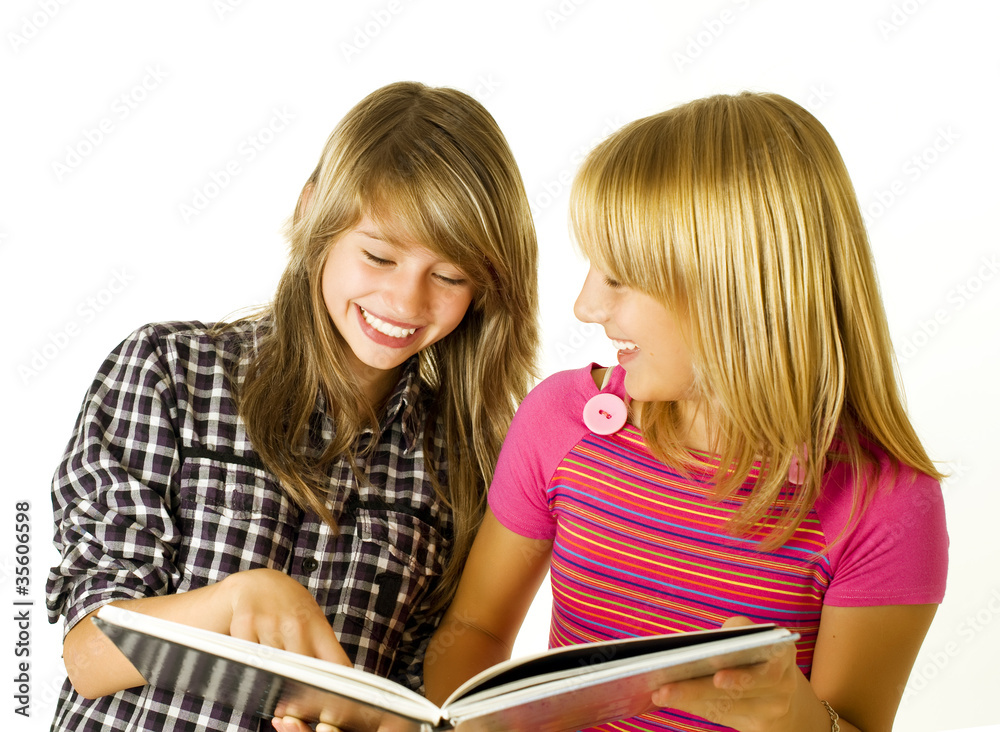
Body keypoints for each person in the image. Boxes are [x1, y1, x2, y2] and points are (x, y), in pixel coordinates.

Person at [423, 92, 948, 732]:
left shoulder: (886, 502)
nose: (586, 305)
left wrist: (801, 719)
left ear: (730, 290)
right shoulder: (561, 422)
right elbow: (476, 628)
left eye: (618, 277)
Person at [44, 81, 539, 732]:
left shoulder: (464, 459)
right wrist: (237, 601)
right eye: (379, 255)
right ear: (313, 214)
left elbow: (416, 696)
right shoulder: (169, 371)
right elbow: (89, 654)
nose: (406, 300)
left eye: (448, 276)